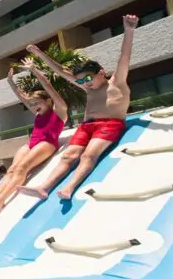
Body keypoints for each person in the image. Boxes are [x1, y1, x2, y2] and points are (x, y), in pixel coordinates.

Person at [19, 14, 138, 200]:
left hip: (109, 124)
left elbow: (124, 56)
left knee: (88, 155)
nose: (85, 83)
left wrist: (129, 31)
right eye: (81, 80)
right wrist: (40, 54)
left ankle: (69, 187)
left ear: (101, 73)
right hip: (86, 126)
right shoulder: (87, 88)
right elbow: (61, 71)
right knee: (68, 156)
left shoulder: (116, 82)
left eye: (88, 78)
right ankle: (43, 188)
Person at [0, 60, 69, 211]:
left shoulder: (59, 111)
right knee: (11, 170)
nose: (35, 106)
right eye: (32, 104)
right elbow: (22, 97)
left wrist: (34, 70)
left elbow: (49, 88)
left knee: (22, 168)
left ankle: (1, 201)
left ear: (49, 101)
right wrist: (10, 82)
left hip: (47, 143)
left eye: (37, 102)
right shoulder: (37, 113)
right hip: (31, 144)